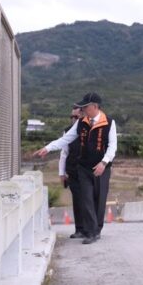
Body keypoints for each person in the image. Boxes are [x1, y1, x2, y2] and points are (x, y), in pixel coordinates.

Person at [34, 92, 117, 244]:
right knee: (86, 198)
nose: (83, 109)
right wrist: (48, 148)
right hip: (84, 168)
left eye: (85, 106)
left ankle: (97, 229)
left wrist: (104, 163)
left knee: (99, 200)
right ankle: (90, 232)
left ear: (95, 106)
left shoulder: (109, 123)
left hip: (102, 169)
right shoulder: (81, 123)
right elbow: (66, 139)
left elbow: (112, 147)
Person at [57, 107, 87, 239]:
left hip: (87, 171)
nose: (73, 119)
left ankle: (90, 228)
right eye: (72, 117)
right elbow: (64, 153)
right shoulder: (67, 131)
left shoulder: (89, 130)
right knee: (77, 199)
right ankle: (79, 229)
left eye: (76, 117)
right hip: (73, 171)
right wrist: (62, 173)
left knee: (88, 199)